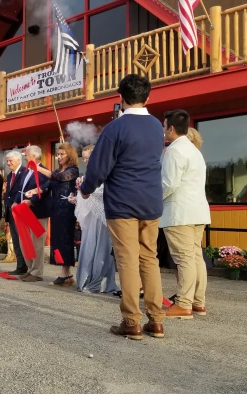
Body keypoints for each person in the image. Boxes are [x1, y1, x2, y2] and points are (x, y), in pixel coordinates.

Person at [80, 74, 166, 340]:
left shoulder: (115, 128)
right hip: (151, 200)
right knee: (149, 257)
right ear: (148, 97)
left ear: (120, 97)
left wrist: (86, 189)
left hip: (122, 201)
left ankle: (131, 320)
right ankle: (157, 319)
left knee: (128, 260)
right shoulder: (156, 127)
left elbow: (99, 166)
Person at [160, 109, 211, 319]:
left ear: (171, 128)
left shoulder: (173, 150)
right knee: (195, 257)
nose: (163, 131)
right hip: (198, 211)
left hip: (179, 212)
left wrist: (153, 199)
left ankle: (183, 303)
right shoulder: (194, 150)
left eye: (164, 127)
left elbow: (168, 183)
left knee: (184, 259)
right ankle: (198, 301)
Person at [71, 145, 120, 294]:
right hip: (91, 217)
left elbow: (103, 191)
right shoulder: (88, 173)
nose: (85, 161)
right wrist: (78, 196)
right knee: (89, 245)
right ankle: (86, 279)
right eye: (84, 158)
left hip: (102, 215)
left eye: (88, 158)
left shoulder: (106, 170)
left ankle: (100, 282)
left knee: (102, 247)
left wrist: (86, 190)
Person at [35, 142, 79, 286]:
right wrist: (35, 191)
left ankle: (64, 274)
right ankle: (66, 274)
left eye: (62, 154)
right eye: (58, 154)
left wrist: (39, 168)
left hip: (67, 209)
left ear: (69, 155)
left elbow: (59, 178)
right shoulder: (58, 171)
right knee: (58, 241)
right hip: (56, 210)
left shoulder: (73, 170)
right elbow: (47, 185)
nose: (58, 157)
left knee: (65, 240)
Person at [18, 145, 50, 282]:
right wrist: (15, 202)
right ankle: (30, 269)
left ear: (34, 156)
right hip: (23, 211)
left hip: (38, 212)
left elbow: (45, 190)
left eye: (26, 155)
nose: (25, 158)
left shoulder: (44, 171)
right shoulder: (26, 171)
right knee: (25, 242)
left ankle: (37, 272)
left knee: (37, 243)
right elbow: (20, 189)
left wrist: (31, 201)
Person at [4, 150, 28, 276]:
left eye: (10, 160)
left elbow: (22, 191)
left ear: (19, 160)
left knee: (23, 239)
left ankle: (26, 265)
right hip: (10, 211)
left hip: (20, 210)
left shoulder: (24, 172)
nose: (8, 163)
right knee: (15, 239)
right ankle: (20, 265)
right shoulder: (9, 175)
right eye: (7, 161)